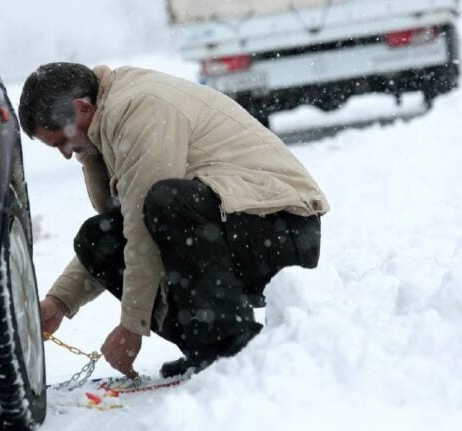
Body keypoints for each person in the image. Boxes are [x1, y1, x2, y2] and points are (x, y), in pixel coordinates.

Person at [18, 63, 329, 378]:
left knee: (168, 201)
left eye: (61, 142)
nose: (66, 154)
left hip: (284, 229)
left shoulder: (140, 108)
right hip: (238, 225)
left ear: (82, 108)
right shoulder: (108, 116)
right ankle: (207, 348)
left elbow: (141, 227)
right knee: (97, 238)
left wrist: (132, 326)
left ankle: (228, 345)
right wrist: (59, 301)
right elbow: (123, 227)